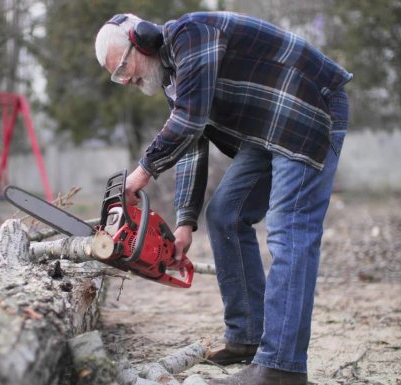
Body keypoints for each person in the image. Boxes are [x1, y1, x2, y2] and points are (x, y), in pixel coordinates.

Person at [95, 11, 352, 385]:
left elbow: (189, 122)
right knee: (225, 215)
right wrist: (184, 223)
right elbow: (192, 144)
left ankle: (282, 367)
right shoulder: (173, 80)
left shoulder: (190, 34)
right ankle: (248, 337)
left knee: (289, 230)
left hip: (307, 108)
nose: (126, 79)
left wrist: (141, 173)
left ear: (143, 39)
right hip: (267, 128)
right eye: (116, 77)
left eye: (123, 67)